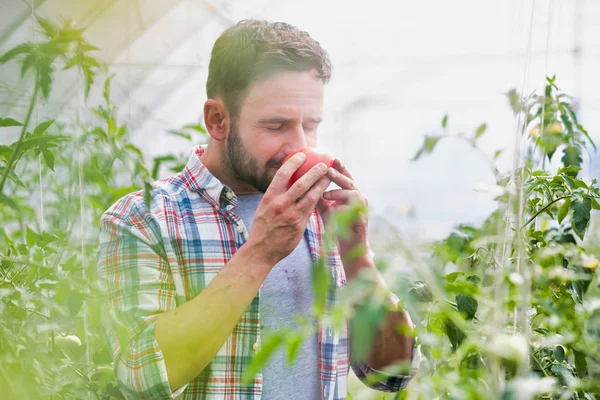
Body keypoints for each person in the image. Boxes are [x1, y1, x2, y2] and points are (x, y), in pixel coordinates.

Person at [96, 19, 420, 400]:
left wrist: (357, 257)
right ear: (217, 120)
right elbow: (141, 378)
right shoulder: (144, 219)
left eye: (311, 125)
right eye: (277, 125)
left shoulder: (321, 216)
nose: (298, 146)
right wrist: (262, 250)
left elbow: (390, 375)